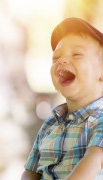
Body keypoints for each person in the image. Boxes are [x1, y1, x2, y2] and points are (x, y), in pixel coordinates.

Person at [21, 17, 103, 180]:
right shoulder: (50, 124)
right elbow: (31, 171)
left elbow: (93, 161)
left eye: (77, 54)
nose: (62, 60)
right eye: (56, 58)